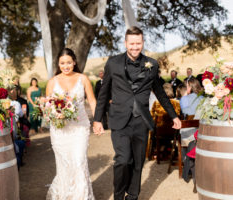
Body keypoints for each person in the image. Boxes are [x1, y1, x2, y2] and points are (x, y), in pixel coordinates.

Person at [93, 26, 181, 200]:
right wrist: (97, 120)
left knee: (138, 163)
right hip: (119, 120)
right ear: (125, 43)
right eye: (131, 43)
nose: (135, 47)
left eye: (138, 43)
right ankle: (119, 196)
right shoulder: (113, 63)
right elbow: (103, 93)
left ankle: (132, 196)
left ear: (142, 43)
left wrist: (174, 116)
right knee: (123, 160)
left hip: (141, 121)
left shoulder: (152, 64)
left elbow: (160, 93)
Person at [46, 48, 96, 200]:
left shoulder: (83, 79)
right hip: (59, 131)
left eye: (68, 62)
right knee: (64, 165)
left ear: (74, 62)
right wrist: (55, 115)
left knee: (79, 161)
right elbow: (47, 106)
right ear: (58, 64)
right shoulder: (52, 82)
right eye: (62, 63)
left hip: (80, 128)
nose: (66, 66)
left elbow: (92, 100)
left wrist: (98, 121)